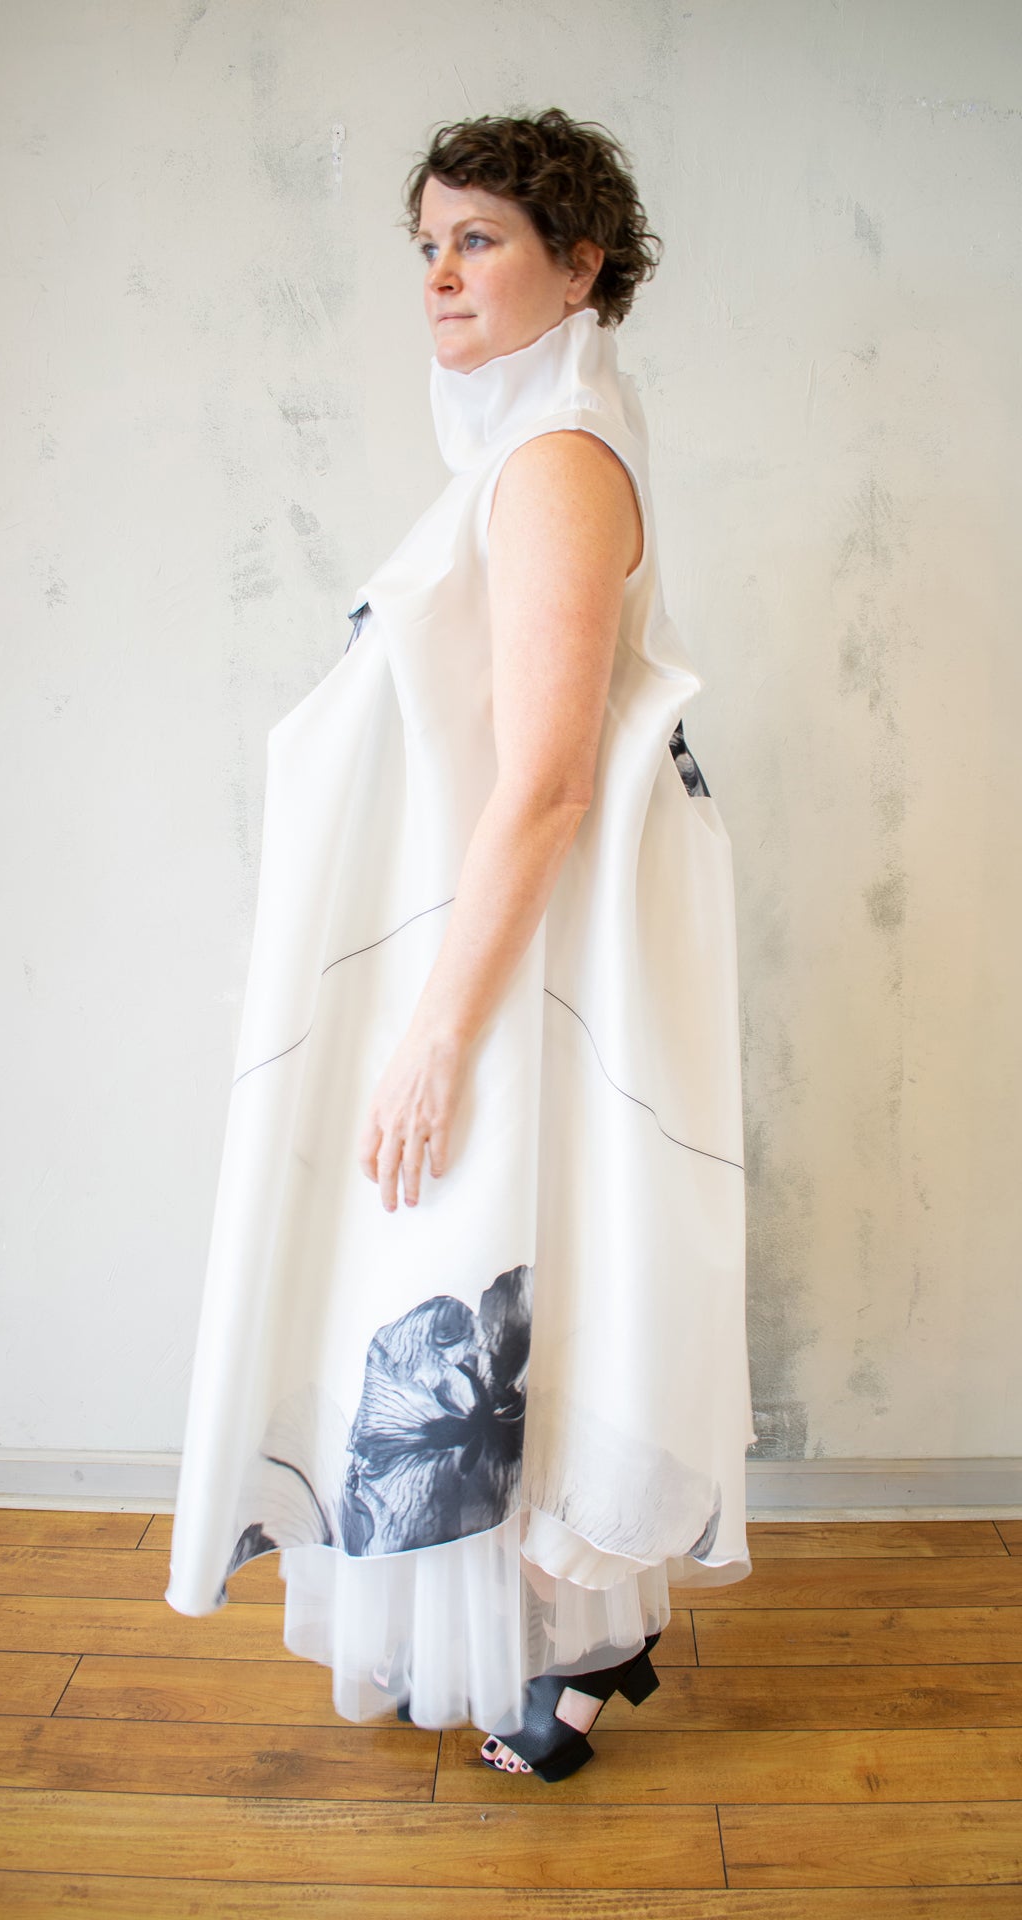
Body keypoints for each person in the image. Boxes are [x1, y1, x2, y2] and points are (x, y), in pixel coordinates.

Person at [165, 106, 756, 1786]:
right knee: (485, 1286)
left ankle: (580, 1639)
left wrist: (434, 1033)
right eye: (426, 243)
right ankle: (561, 1642)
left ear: (580, 265)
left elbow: (549, 780)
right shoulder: (530, 449)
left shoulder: (559, 461)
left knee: (484, 1284)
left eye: (479, 238)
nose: (438, 272)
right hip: (492, 954)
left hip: (505, 974)